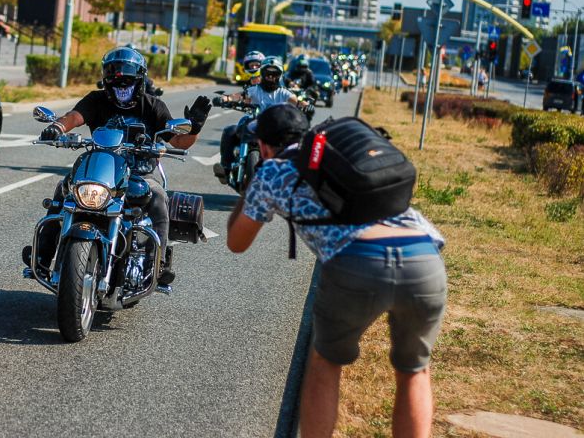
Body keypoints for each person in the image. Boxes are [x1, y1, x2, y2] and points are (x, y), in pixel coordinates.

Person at [227, 105, 447, 438]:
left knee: (325, 363)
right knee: (415, 370)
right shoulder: (332, 158)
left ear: (263, 145)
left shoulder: (272, 171)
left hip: (357, 259)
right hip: (424, 256)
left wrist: (254, 181)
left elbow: (237, 241)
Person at [23, 46, 211, 287]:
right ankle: (41, 256)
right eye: (115, 81)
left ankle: (159, 262)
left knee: (158, 197)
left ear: (140, 81)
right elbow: (74, 116)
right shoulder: (96, 100)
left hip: (140, 172)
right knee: (64, 188)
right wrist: (57, 128)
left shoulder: (152, 105)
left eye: (128, 81)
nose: (121, 87)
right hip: (101, 168)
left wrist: (194, 127)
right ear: (106, 81)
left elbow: (179, 141)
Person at [213, 54, 303, 183]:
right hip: (254, 122)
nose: (271, 77)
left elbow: (296, 101)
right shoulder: (254, 90)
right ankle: (226, 169)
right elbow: (239, 96)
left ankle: (290, 175)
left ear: (280, 75)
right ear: (262, 74)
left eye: (274, 74)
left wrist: (306, 105)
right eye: (267, 73)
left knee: (293, 141)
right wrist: (225, 98)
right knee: (230, 131)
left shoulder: (284, 92)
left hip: (275, 126)